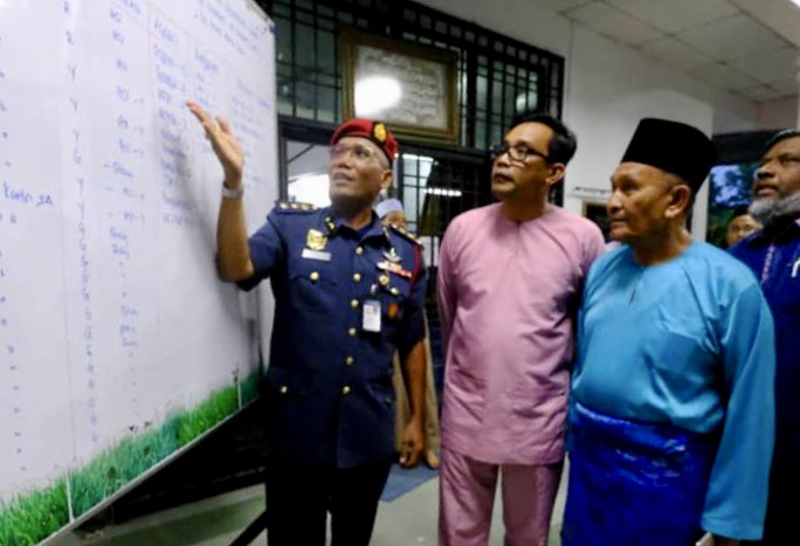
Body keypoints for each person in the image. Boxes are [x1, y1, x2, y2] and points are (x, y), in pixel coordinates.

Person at [186, 102, 428, 546]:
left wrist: (417, 419)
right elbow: (235, 266)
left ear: (385, 178)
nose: (343, 161)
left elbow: (413, 339)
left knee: (354, 538)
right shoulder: (289, 227)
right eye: (338, 152)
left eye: (360, 154)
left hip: (368, 435)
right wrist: (233, 183)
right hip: (296, 432)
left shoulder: (407, 255)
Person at [564, 118, 776, 546]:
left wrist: (728, 523)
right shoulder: (603, 268)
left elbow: (751, 411)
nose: (613, 203)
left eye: (629, 188)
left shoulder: (730, 286)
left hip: (670, 483)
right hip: (590, 474)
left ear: (676, 200)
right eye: (612, 188)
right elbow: (583, 363)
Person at [436, 113, 605, 546]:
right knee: (459, 535)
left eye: (522, 151)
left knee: (528, 537)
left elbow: (589, 327)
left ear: (554, 171)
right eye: (503, 148)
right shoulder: (462, 229)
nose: (503, 159)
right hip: (467, 411)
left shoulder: (583, 238)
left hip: (537, 418)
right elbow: (450, 316)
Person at [729, 129, 800, 545]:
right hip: (740, 445)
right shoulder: (738, 256)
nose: (766, 171)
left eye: (786, 161)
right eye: (763, 164)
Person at [376, 198, 442, 469]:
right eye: (392, 220)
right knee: (396, 387)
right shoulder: (373, 248)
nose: (399, 225)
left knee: (422, 385)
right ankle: (403, 443)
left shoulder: (412, 249)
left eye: (402, 220)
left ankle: (431, 442)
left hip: (414, 322)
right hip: (386, 321)